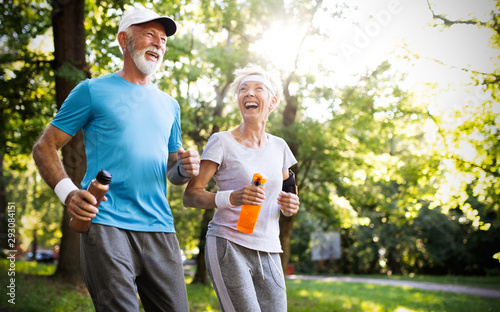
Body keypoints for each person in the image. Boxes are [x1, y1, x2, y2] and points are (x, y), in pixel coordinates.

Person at [32, 7, 199, 312]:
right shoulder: (92, 91)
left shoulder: (170, 105)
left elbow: (173, 171)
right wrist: (69, 194)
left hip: (160, 227)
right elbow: (44, 147)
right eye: (149, 34)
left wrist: (184, 170)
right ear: (124, 39)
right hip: (108, 224)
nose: (158, 44)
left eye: (163, 39)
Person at [183, 64, 300, 311]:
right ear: (238, 101)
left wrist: (291, 205)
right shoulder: (221, 142)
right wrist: (231, 198)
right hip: (228, 243)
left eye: (258, 88)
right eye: (243, 89)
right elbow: (191, 195)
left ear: (273, 101)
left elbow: (289, 189)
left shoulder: (280, 147)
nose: (249, 93)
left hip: (269, 248)